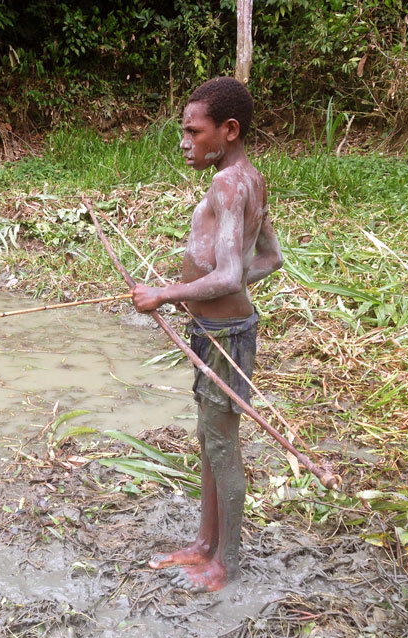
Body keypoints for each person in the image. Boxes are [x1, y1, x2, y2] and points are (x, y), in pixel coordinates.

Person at [131, 76, 283, 592]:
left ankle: (227, 563)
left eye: (194, 132)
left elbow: (225, 275)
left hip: (226, 333)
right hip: (217, 326)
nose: (185, 143)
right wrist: (213, 292)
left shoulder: (226, 184)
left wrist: (167, 293)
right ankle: (203, 545)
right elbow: (269, 258)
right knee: (208, 438)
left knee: (221, 446)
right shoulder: (250, 178)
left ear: (229, 130)